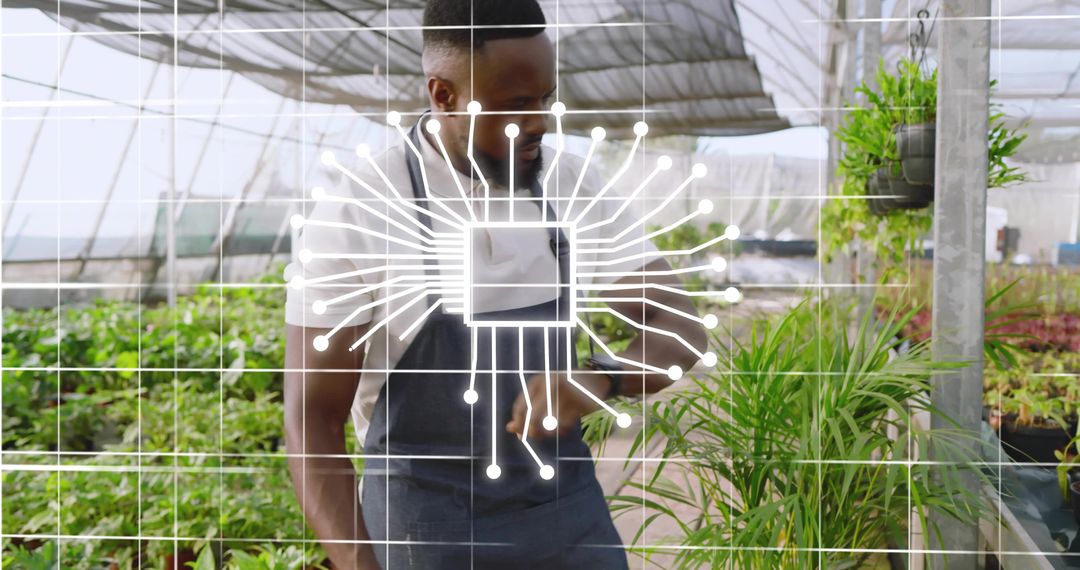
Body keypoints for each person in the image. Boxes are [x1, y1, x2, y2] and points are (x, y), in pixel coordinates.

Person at [283, 0, 707, 567]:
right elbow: (311, 419)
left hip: (564, 514)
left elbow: (682, 327)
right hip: (425, 525)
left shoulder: (570, 186)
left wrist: (602, 377)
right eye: (515, 105)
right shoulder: (359, 209)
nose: (539, 122)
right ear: (443, 95)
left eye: (546, 99)